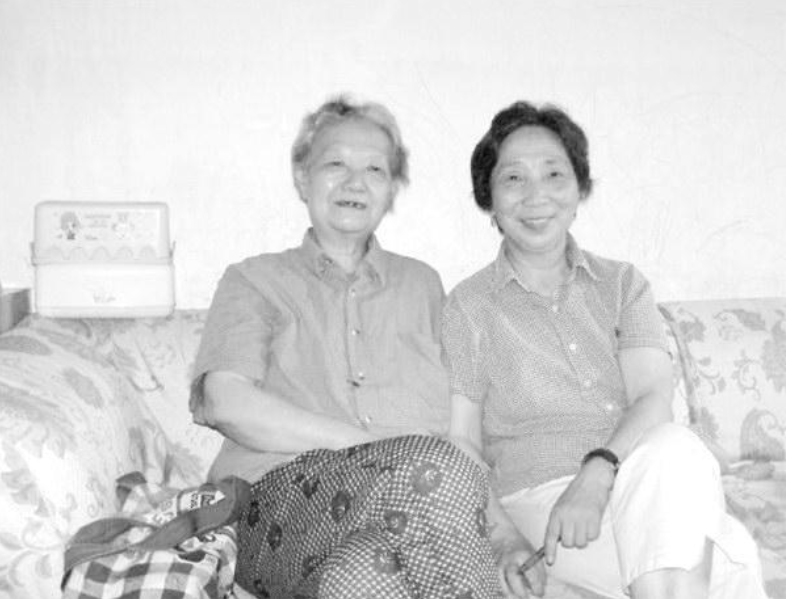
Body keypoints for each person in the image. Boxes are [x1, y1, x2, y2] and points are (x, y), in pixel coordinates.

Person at [442, 100, 767, 599]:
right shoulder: (468, 307)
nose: (536, 195)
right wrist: (504, 538)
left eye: (554, 174)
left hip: (641, 479)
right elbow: (461, 444)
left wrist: (598, 471)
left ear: (580, 188)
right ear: (489, 196)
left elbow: (653, 398)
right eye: (513, 178)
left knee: (676, 446)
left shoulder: (621, 284)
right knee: (729, 556)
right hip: (546, 507)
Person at [189, 95, 499, 599]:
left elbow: (461, 434)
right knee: (432, 467)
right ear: (302, 178)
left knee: (363, 576)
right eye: (336, 164)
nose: (355, 182)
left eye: (374, 169)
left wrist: (504, 533)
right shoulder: (254, 279)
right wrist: (368, 449)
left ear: (392, 189)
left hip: (413, 508)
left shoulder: (423, 285)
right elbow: (225, 402)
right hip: (276, 506)